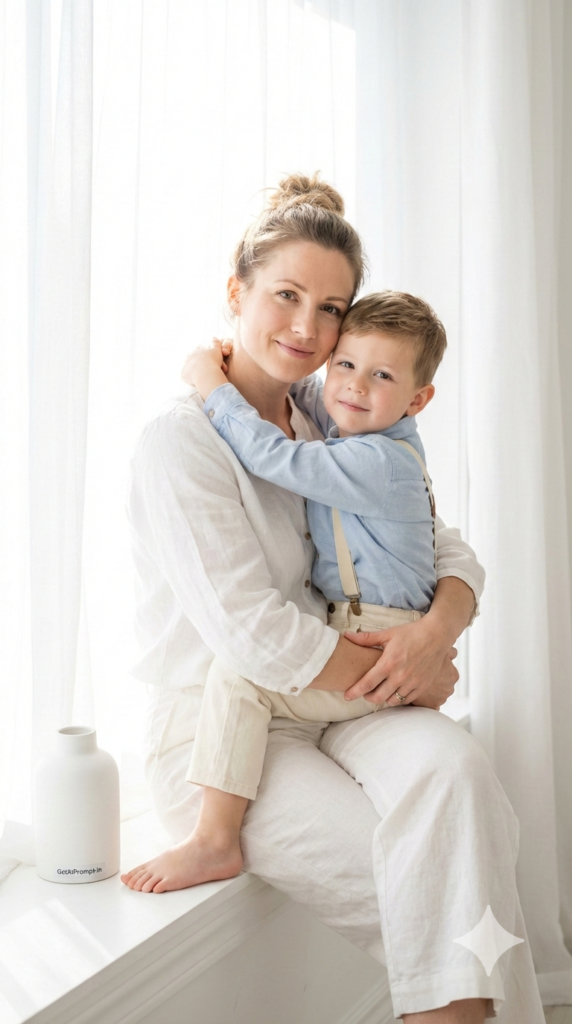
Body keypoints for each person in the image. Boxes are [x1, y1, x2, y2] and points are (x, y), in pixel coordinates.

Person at [121, 174, 545, 1023]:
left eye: (331, 308)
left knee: (461, 774)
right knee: (430, 885)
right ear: (236, 293)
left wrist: (436, 633)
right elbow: (252, 636)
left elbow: (437, 539)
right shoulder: (182, 443)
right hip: (224, 732)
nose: (308, 329)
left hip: (336, 697)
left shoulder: (328, 413)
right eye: (285, 295)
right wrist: (403, 675)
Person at [174, 289, 445, 878]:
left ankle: (214, 840)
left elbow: (274, 456)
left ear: (417, 399)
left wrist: (212, 385)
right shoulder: (360, 429)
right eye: (344, 364)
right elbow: (308, 403)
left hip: (377, 636)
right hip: (362, 626)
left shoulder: (376, 461)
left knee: (238, 678)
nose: (353, 387)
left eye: (381, 375)